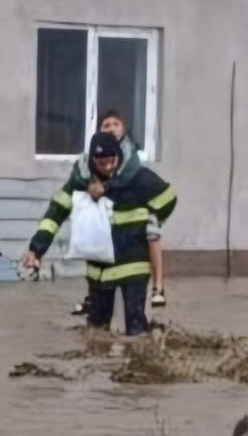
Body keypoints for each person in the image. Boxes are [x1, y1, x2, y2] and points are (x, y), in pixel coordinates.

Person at [20, 132, 177, 336]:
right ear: (93, 160)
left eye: (111, 159)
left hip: (132, 266)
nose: (107, 165)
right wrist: (36, 249)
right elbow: (55, 213)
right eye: (101, 161)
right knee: (96, 331)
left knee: (135, 327)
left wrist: (151, 221)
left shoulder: (139, 178)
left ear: (118, 156)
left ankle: (139, 361)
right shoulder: (80, 182)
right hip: (99, 270)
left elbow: (168, 200)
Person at [66, 110, 167, 315]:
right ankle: (91, 294)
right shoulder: (96, 152)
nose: (111, 128)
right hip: (108, 208)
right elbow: (86, 174)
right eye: (106, 125)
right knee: (95, 237)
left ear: (124, 129)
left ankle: (158, 286)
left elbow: (127, 176)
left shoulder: (130, 154)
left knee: (151, 234)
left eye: (115, 124)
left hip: (137, 203)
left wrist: (107, 187)